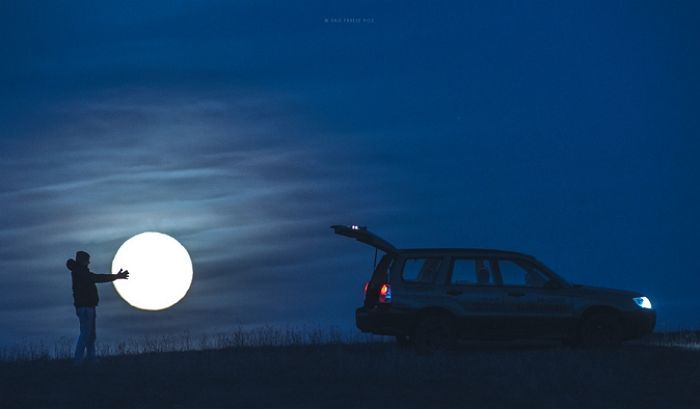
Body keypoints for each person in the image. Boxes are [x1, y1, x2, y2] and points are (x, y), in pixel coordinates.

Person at [66, 251, 129, 364]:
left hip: (87, 307)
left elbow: (96, 278)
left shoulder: (80, 272)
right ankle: (78, 361)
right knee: (86, 333)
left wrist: (116, 276)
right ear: (82, 260)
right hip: (85, 307)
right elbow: (97, 278)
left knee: (90, 334)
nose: (89, 262)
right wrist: (116, 276)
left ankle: (91, 359)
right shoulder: (81, 272)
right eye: (87, 260)